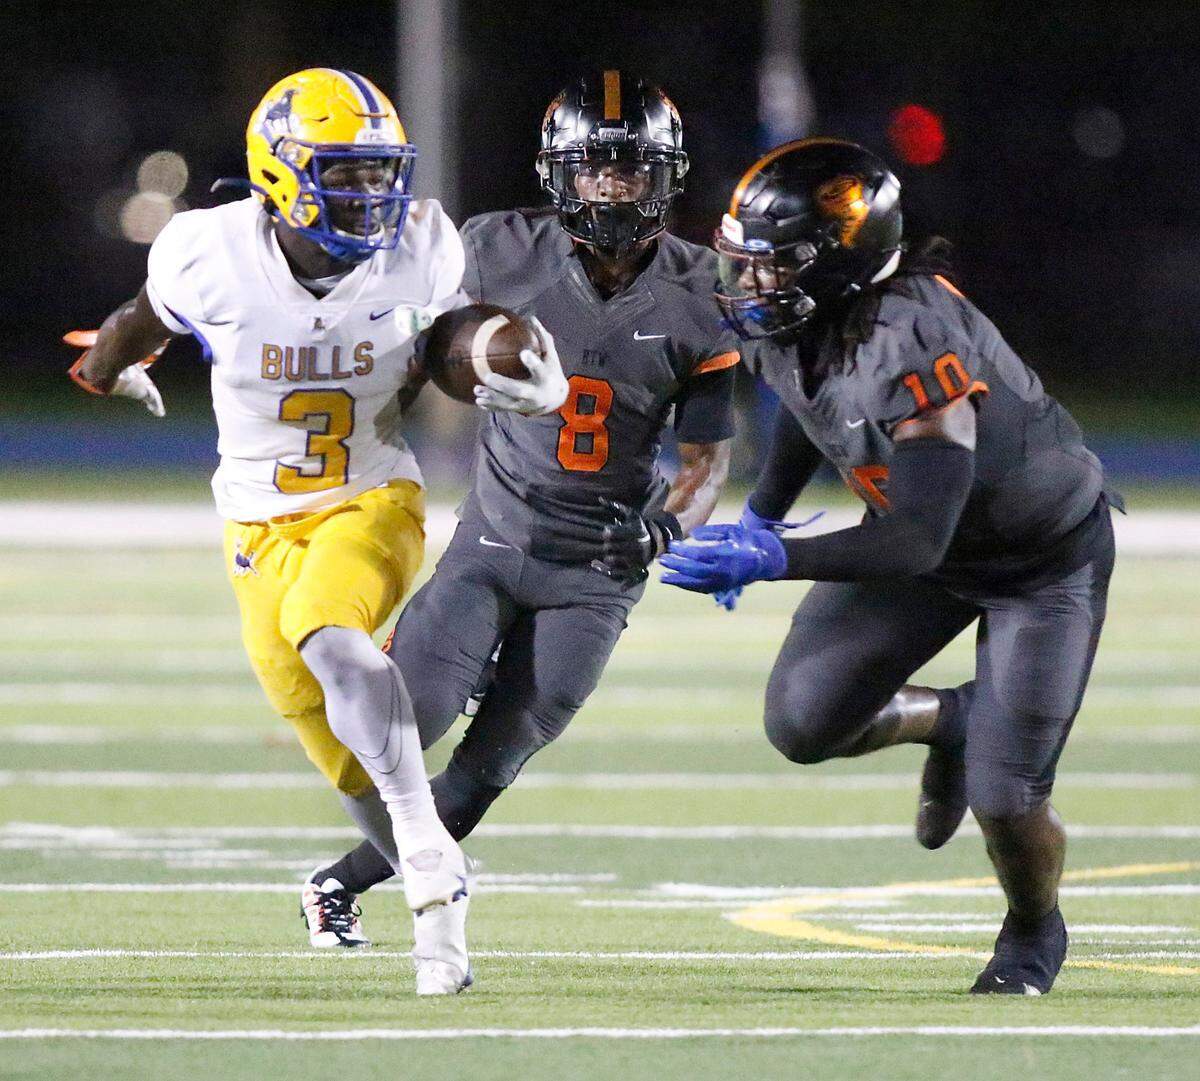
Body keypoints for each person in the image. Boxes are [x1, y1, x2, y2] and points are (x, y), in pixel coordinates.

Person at [64, 68, 568, 995]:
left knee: (334, 639)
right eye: (347, 173)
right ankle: (443, 914)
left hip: (370, 497)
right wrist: (102, 372)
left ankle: (423, 847)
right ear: (283, 173)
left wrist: (517, 370)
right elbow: (140, 322)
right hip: (254, 520)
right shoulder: (206, 251)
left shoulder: (421, 245)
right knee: (348, 758)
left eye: (383, 173)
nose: (374, 195)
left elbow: (452, 345)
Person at [661, 138, 1118, 996]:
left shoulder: (910, 337)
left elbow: (915, 543)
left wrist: (774, 555)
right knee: (804, 720)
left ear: (842, 261)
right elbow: (805, 399)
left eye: (771, 266)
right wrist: (763, 507)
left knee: (1008, 794)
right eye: (743, 263)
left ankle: (1032, 928)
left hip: (1038, 558)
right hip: (931, 536)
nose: (748, 283)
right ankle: (950, 719)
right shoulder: (798, 316)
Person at [305, 71, 740, 923]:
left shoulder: (704, 292)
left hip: (598, 572)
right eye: (594, 168)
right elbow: (388, 308)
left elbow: (706, 463)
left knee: (487, 769)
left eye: (631, 169)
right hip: (494, 543)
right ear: (559, 174)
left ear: (666, 176)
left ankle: (338, 885)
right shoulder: (497, 248)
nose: (611, 185)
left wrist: (662, 529)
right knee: (395, 726)